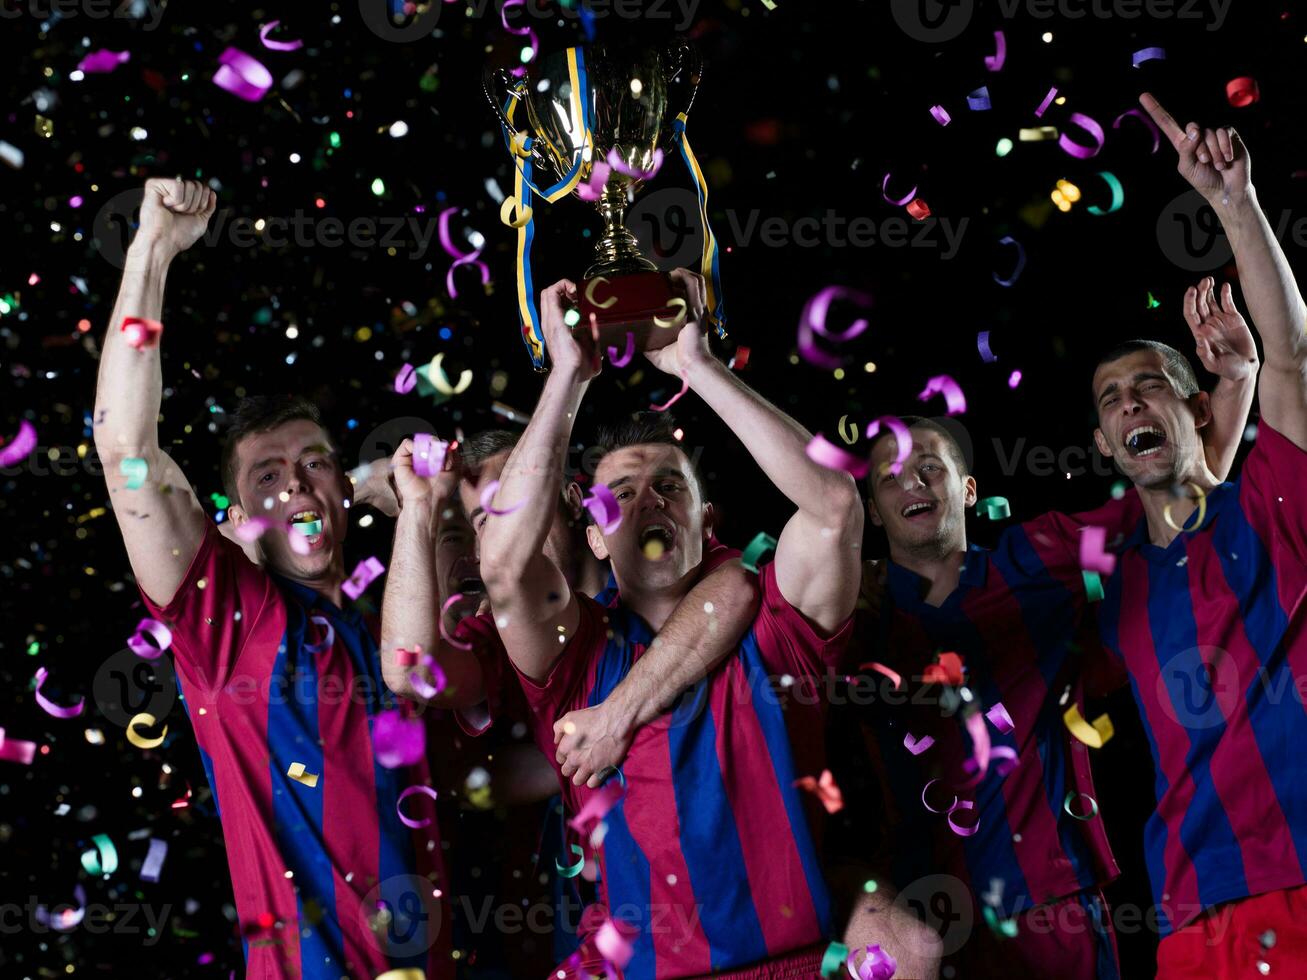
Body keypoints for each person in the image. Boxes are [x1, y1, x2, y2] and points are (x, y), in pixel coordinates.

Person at [94, 178, 453, 979]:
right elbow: (127, 454)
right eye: (267, 475)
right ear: (233, 514)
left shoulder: (384, 617)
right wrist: (151, 249)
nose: (294, 484)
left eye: (311, 464)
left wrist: (356, 487)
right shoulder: (232, 620)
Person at [468, 266, 871, 978]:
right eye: (619, 493)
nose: (647, 502)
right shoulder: (574, 655)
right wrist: (569, 374)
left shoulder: (775, 623)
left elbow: (835, 505)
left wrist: (698, 367)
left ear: (704, 517)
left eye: (668, 487)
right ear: (592, 532)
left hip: (796, 963)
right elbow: (501, 563)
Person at [845, 305, 1252, 978]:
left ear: (968, 489)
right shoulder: (851, 611)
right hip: (916, 916)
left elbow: (1182, 484)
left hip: (1052, 897)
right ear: (868, 508)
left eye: (930, 469)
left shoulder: (1039, 555)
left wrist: (1239, 381)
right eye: (888, 474)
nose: (910, 484)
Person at [1079, 94, 1307, 978]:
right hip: (1186, 914)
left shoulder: (1267, 511)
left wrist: (1232, 203)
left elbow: (1289, 359)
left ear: (1199, 406)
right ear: (1102, 444)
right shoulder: (1105, 579)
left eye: (1150, 385)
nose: (1131, 402)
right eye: (1111, 399)